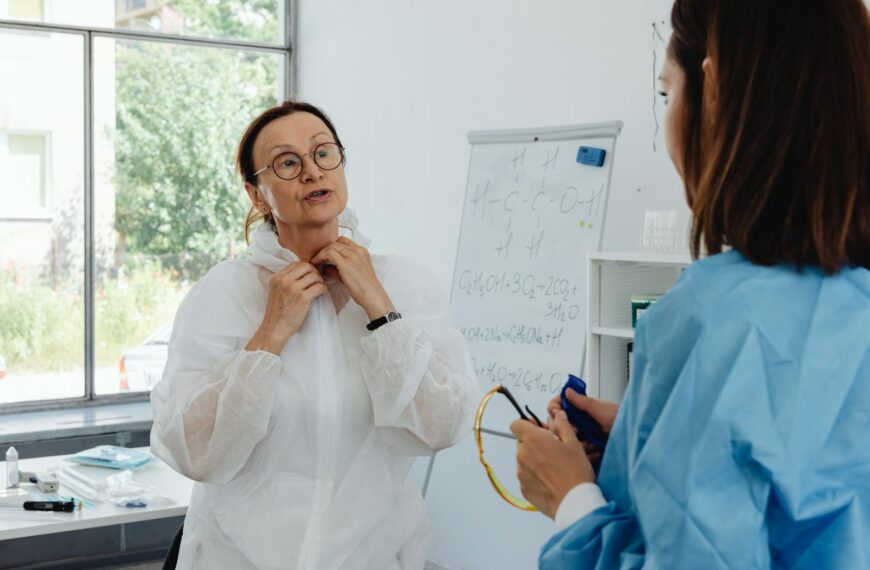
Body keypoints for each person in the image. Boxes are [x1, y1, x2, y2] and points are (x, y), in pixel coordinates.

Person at [511, 0, 870, 567]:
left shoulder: (713, 323)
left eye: (664, 93)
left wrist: (571, 499)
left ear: (716, 90)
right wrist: (639, 443)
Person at [150, 101, 478, 570]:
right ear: (258, 195)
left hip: (375, 558)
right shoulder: (224, 294)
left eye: (324, 153)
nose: (311, 171)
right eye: (287, 162)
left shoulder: (404, 284)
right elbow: (193, 451)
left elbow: (442, 426)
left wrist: (381, 310)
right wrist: (270, 333)